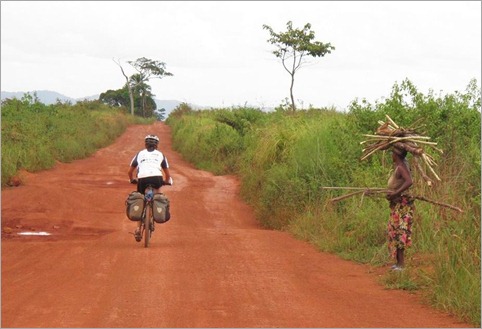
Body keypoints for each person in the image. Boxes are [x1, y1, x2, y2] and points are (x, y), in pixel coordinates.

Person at [128, 134, 172, 239]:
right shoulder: (161, 155)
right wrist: (166, 181)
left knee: (141, 199)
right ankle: (155, 209)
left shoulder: (139, 154)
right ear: (157, 145)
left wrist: (131, 180)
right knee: (157, 195)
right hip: (157, 178)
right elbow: (168, 174)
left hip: (142, 179)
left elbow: (130, 171)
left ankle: (138, 230)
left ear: (145, 144)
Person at [386, 146, 414, 271]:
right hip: (397, 205)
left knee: (400, 233)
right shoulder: (400, 165)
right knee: (396, 232)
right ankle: (398, 263)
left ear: (395, 155)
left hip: (402, 207)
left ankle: (401, 265)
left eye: (392, 153)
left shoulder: (401, 167)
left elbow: (409, 181)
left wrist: (395, 193)